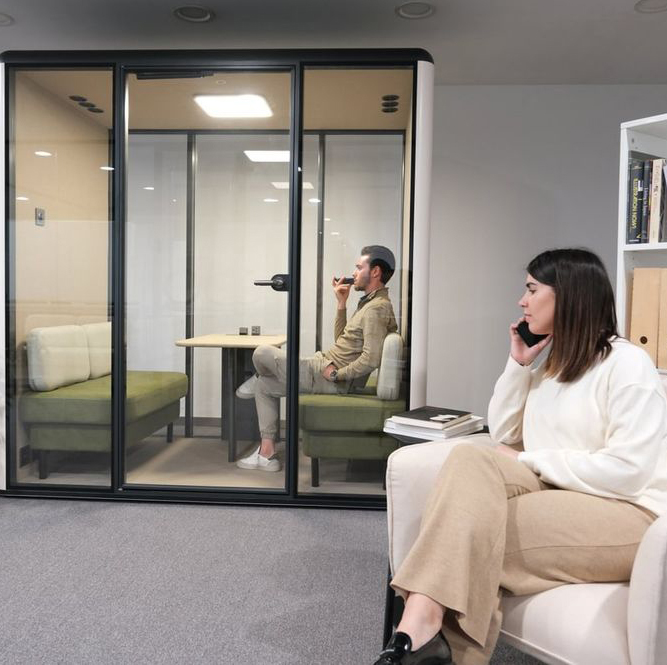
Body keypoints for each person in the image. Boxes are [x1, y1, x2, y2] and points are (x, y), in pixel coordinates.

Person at [373, 248, 667, 665]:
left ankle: (416, 633)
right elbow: (505, 432)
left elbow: (628, 472)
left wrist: (527, 461)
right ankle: (423, 634)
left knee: (469, 538)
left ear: (568, 295)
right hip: (561, 490)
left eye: (531, 289)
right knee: (470, 460)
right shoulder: (554, 364)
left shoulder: (628, 365)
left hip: (631, 512)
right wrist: (518, 364)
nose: (521, 301)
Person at [235, 245, 398, 472]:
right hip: (324, 368)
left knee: (262, 352)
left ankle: (257, 376)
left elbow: (371, 358)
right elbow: (343, 340)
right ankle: (267, 454)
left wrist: (336, 374)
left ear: (376, 272)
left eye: (359, 267)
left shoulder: (376, 309)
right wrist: (341, 304)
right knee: (264, 386)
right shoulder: (369, 304)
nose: (354, 273)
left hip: (328, 378)